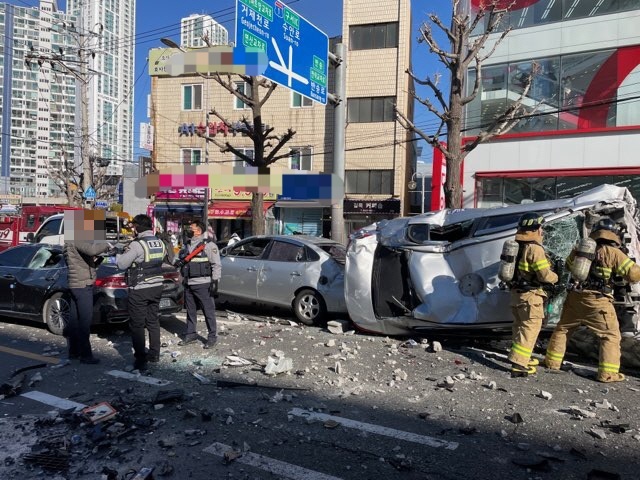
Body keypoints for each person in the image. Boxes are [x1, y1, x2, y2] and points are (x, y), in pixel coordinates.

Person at [545, 218, 640, 383]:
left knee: (563, 329)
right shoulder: (612, 252)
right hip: (597, 301)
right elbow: (632, 275)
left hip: (575, 297)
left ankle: (552, 362)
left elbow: (568, 267)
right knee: (610, 336)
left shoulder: (580, 249)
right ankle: (608, 374)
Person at [110, 214, 166, 371]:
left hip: (140, 288)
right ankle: (155, 354)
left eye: (134, 226)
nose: (133, 229)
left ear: (139, 227)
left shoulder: (137, 245)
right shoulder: (159, 242)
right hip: (157, 286)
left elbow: (121, 264)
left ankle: (140, 359)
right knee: (153, 321)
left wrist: (118, 252)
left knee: (137, 325)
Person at [507, 212, 558, 377]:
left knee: (519, 327)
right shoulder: (534, 248)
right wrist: (556, 277)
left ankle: (522, 357)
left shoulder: (515, 245)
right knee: (531, 327)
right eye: (541, 227)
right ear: (536, 229)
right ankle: (519, 364)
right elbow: (544, 275)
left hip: (516, 294)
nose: (542, 231)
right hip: (531, 296)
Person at [63, 210, 111, 364]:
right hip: (82, 285)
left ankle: (74, 352)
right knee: (84, 322)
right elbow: (92, 250)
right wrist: (106, 244)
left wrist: (98, 260)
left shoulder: (69, 241)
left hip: (75, 283)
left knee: (75, 321)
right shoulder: (76, 238)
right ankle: (86, 355)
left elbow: (82, 262)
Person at [177, 220, 222, 349]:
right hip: (188, 283)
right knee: (190, 311)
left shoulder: (209, 245)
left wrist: (215, 282)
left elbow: (216, 264)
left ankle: (212, 337)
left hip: (203, 284)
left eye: (191, 228)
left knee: (208, 312)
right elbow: (179, 260)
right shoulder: (187, 245)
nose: (188, 230)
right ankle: (191, 334)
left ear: (199, 230)